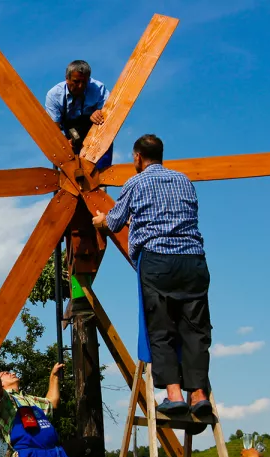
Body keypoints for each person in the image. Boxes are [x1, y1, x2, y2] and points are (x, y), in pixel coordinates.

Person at [92, 134, 214, 425]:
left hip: (158, 260)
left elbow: (115, 220)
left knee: (160, 327)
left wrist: (100, 221)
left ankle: (174, 395)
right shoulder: (184, 180)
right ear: (161, 154)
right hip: (194, 260)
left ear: (137, 157)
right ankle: (199, 395)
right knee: (196, 330)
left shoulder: (135, 183)